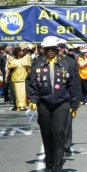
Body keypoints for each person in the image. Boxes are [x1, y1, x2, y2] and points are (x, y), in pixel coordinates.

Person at [29, 36, 78, 172]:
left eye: (53, 49)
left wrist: (74, 105)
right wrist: (33, 100)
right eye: (47, 49)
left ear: (57, 49)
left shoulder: (66, 64)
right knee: (47, 133)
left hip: (62, 103)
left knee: (58, 132)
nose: (50, 51)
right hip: (44, 103)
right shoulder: (37, 64)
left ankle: (57, 165)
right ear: (43, 50)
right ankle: (49, 163)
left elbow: (72, 86)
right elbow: (33, 86)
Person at [5, 46, 31, 111]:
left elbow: (28, 68)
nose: (22, 52)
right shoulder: (12, 60)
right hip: (16, 78)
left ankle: (22, 106)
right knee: (17, 93)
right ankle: (18, 106)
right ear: (17, 52)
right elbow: (8, 68)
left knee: (23, 93)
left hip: (23, 78)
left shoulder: (25, 59)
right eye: (21, 51)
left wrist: (31, 73)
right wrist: (6, 76)